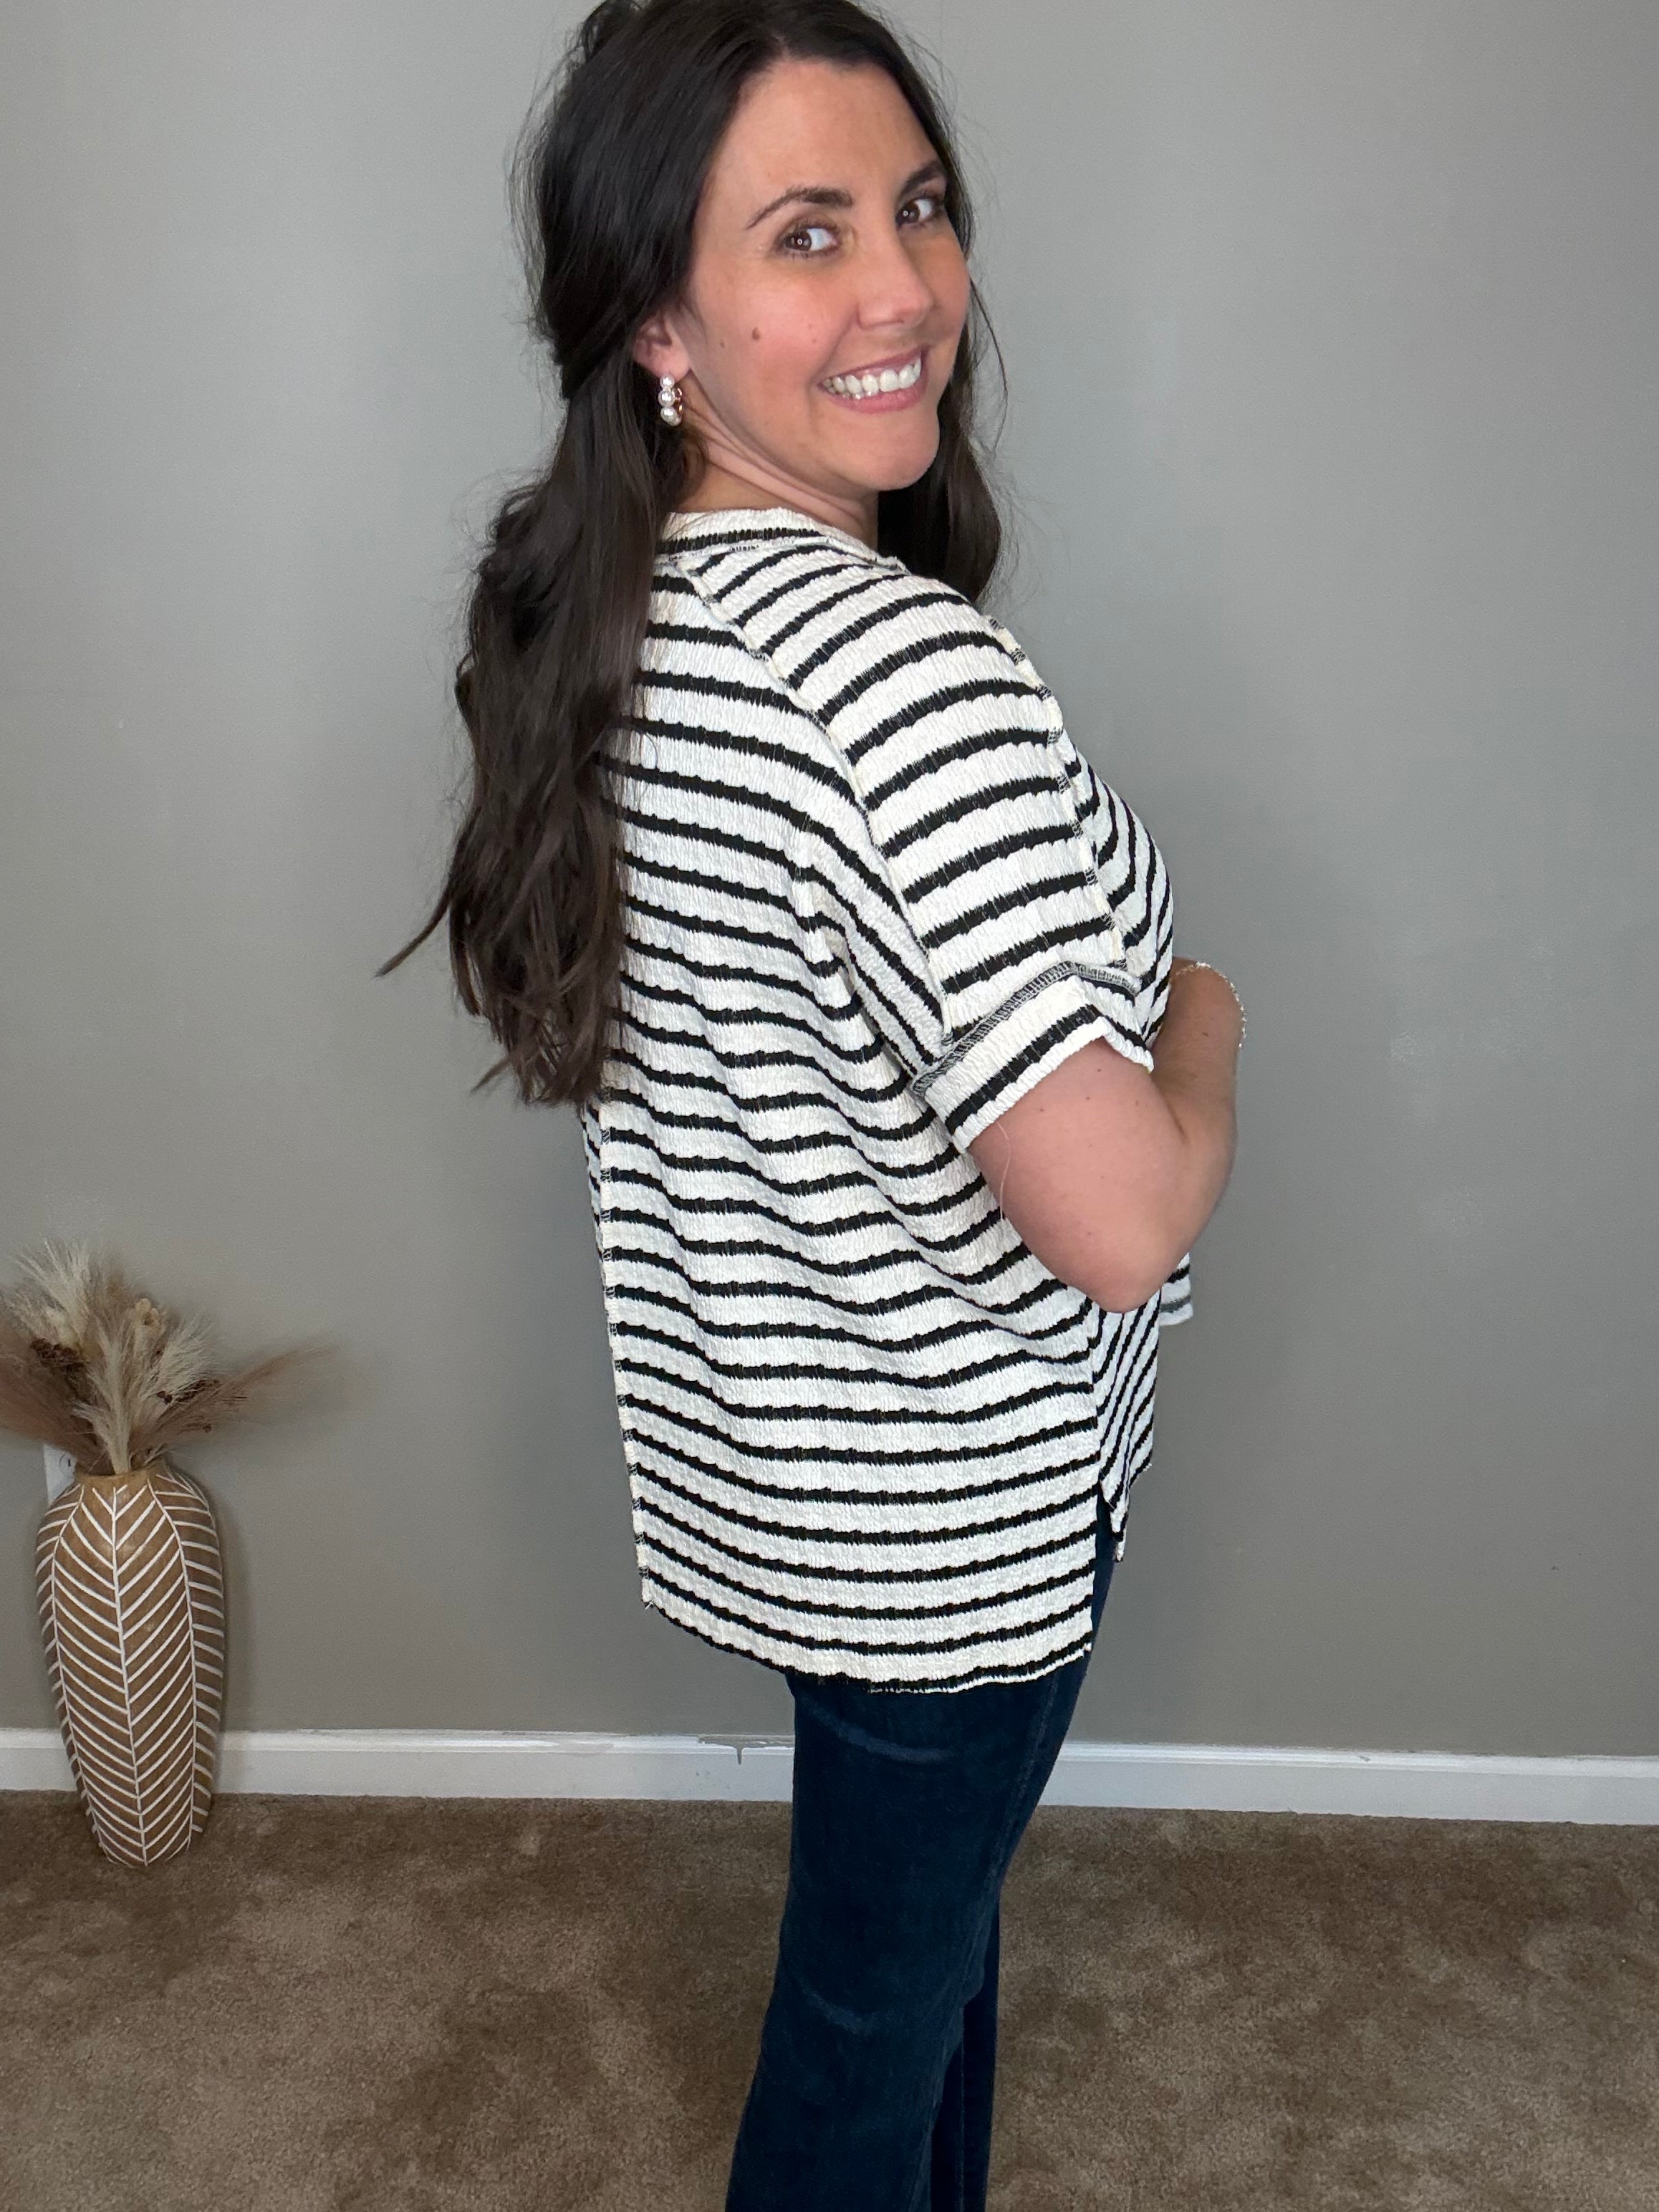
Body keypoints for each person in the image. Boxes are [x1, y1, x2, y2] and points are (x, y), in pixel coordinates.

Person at [380, 2, 1243, 2203]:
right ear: (655, 320)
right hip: (955, 1532)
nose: (903, 289)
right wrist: (1209, 1020)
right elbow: (1123, 1218)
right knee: (860, 2056)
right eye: (804, 233)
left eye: (918, 208)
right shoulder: (897, 676)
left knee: (914, 1985)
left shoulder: (629, 624)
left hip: (798, 1489)